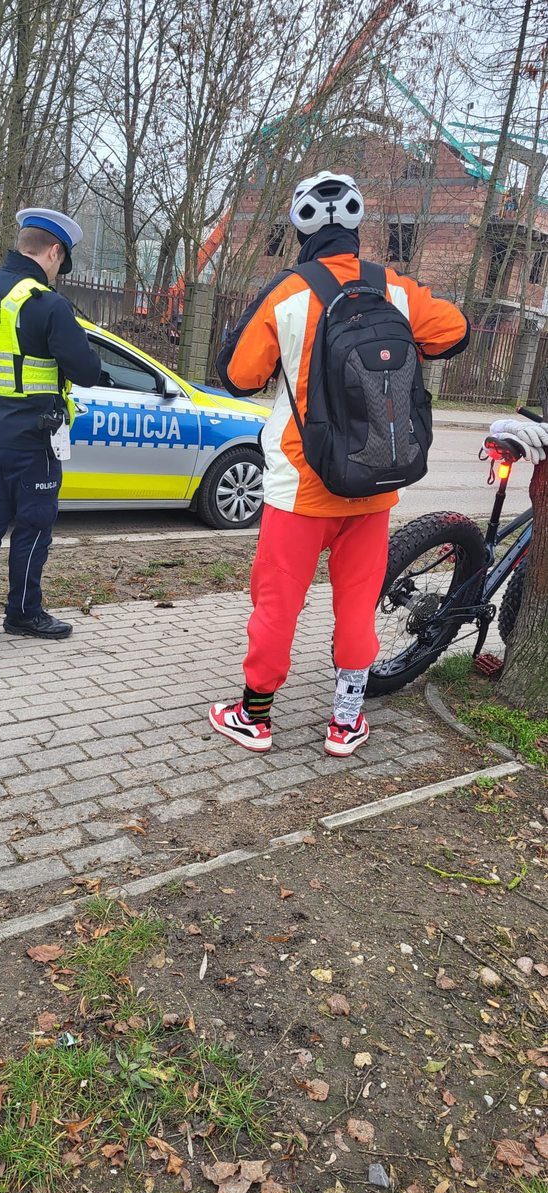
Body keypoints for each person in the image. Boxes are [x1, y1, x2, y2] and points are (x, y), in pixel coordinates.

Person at [208, 171, 470, 757]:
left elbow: (240, 376)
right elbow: (456, 331)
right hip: (374, 482)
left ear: (300, 228)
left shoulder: (287, 292)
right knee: (358, 603)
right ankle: (346, 721)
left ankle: (254, 717)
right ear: (356, 225)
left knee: (278, 603)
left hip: (300, 484)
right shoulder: (393, 287)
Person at [0, 208, 102, 652]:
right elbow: (88, 371)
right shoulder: (46, 304)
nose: (57, 272)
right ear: (53, 252)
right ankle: (23, 613)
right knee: (34, 526)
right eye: (61, 262)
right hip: (33, 439)